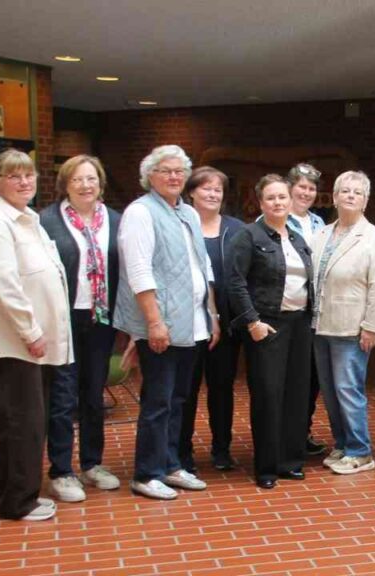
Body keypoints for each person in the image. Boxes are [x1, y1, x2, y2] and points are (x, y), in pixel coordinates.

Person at [0, 149, 72, 520]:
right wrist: (30, 330)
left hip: (32, 343)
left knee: (30, 423)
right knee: (21, 425)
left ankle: (17, 494)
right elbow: (4, 285)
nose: (23, 182)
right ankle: (16, 502)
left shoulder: (26, 218)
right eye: (13, 176)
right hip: (16, 344)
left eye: (28, 175)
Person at [115, 145, 220, 500]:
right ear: (150, 177)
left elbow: (202, 268)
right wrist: (153, 323)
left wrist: (213, 315)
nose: (174, 176)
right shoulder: (140, 213)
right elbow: (139, 270)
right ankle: (147, 473)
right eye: (165, 170)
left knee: (179, 400)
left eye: (179, 171)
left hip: (192, 324)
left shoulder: (188, 213)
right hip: (161, 325)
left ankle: (172, 465)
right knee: (158, 401)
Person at [39, 155, 122, 503]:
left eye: (91, 179)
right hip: (63, 319)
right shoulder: (47, 221)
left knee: (93, 393)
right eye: (78, 180)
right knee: (62, 396)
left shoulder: (116, 221)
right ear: (65, 185)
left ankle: (92, 463)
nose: (86, 186)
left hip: (100, 319)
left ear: (101, 183)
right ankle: (61, 470)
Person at [226, 175, 314, 489]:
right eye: (271, 198)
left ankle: (290, 462)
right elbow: (235, 282)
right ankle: (266, 467)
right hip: (267, 326)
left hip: (300, 325)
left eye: (282, 197)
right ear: (261, 202)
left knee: (296, 395)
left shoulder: (298, 237)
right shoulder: (248, 236)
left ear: (290, 201)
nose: (278, 203)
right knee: (268, 395)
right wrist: (252, 322)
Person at [312, 171, 375, 475]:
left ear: (365, 201)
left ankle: (361, 451)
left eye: (356, 192)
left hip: (352, 328)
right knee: (330, 390)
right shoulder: (321, 234)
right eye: (344, 190)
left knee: (348, 389)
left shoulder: (374, 238)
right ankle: (343, 444)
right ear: (333, 197)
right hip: (321, 325)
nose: (349, 196)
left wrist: (372, 325)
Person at [178, 167, 245, 472]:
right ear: (191, 191)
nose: (213, 194)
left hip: (227, 323)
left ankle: (221, 450)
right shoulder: (180, 225)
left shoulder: (236, 229)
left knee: (222, 388)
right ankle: (182, 452)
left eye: (218, 189)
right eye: (206, 188)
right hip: (189, 320)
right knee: (187, 389)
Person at [285, 162, 329, 456]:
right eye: (301, 186)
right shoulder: (275, 218)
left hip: (315, 312)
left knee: (311, 377)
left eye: (311, 188)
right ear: (290, 188)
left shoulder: (319, 224)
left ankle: (303, 431)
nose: (306, 192)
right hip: (287, 309)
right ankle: (284, 435)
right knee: (289, 377)